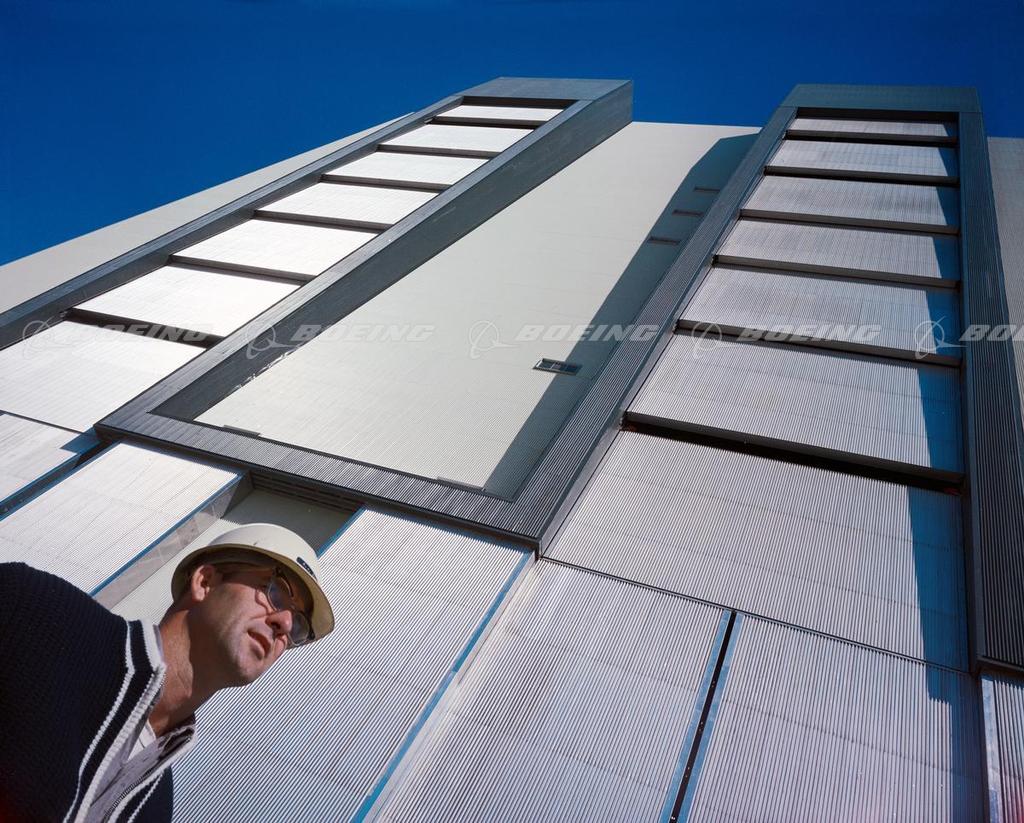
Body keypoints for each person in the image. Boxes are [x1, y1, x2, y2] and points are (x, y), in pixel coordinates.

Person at [0, 523, 336, 822]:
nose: (285, 624)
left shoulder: (157, 805)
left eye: (299, 626)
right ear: (205, 582)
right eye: (275, 591)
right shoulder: (31, 612)